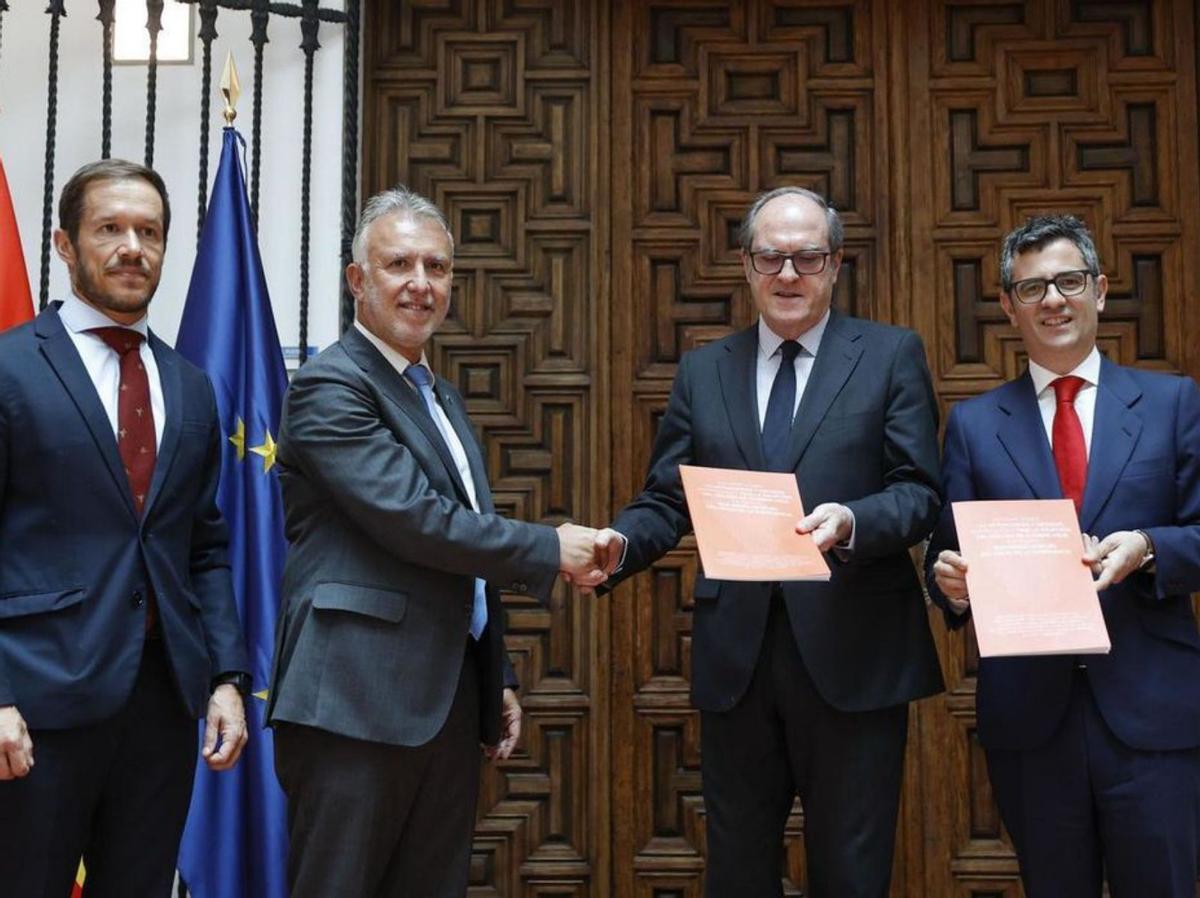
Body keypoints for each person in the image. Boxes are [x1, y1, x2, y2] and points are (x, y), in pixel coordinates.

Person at [592, 186, 945, 897]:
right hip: (739, 661)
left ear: (835, 264)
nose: (789, 274)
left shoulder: (889, 354)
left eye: (807, 258)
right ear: (747, 266)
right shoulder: (703, 369)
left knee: (851, 869)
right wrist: (618, 546)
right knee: (738, 868)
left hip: (855, 650)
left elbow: (919, 493)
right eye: (770, 257)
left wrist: (850, 522)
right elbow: (668, 498)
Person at [267, 186, 605, 898]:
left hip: (441, 703)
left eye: (438, 267)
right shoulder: (331, 385)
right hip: (353, 702)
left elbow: (461, 552)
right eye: (399, 265)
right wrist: (549, 547)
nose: (421, 284)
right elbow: (416, 519)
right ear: (357, 280)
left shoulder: (438, 395)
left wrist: (495, 675)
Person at [926, 214, 1200, 897]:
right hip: (1032, 720)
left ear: (1100, 291)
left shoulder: (1172, 403)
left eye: (1068, 281)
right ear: (1007, 307)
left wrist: (1147, 548)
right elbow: (945, 553)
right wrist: (950, 586)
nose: (1052, 300)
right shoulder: (976, 424)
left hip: (1152, 713)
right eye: (1031, 288)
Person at [0, 159, 250, 897]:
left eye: (149, 232)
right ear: (65, 245)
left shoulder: (190, 386)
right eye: (109, 229)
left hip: (161, 708)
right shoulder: (11, 369)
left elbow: (203, 546)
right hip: (37, 708)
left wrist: (228, 679)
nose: (132, 247)